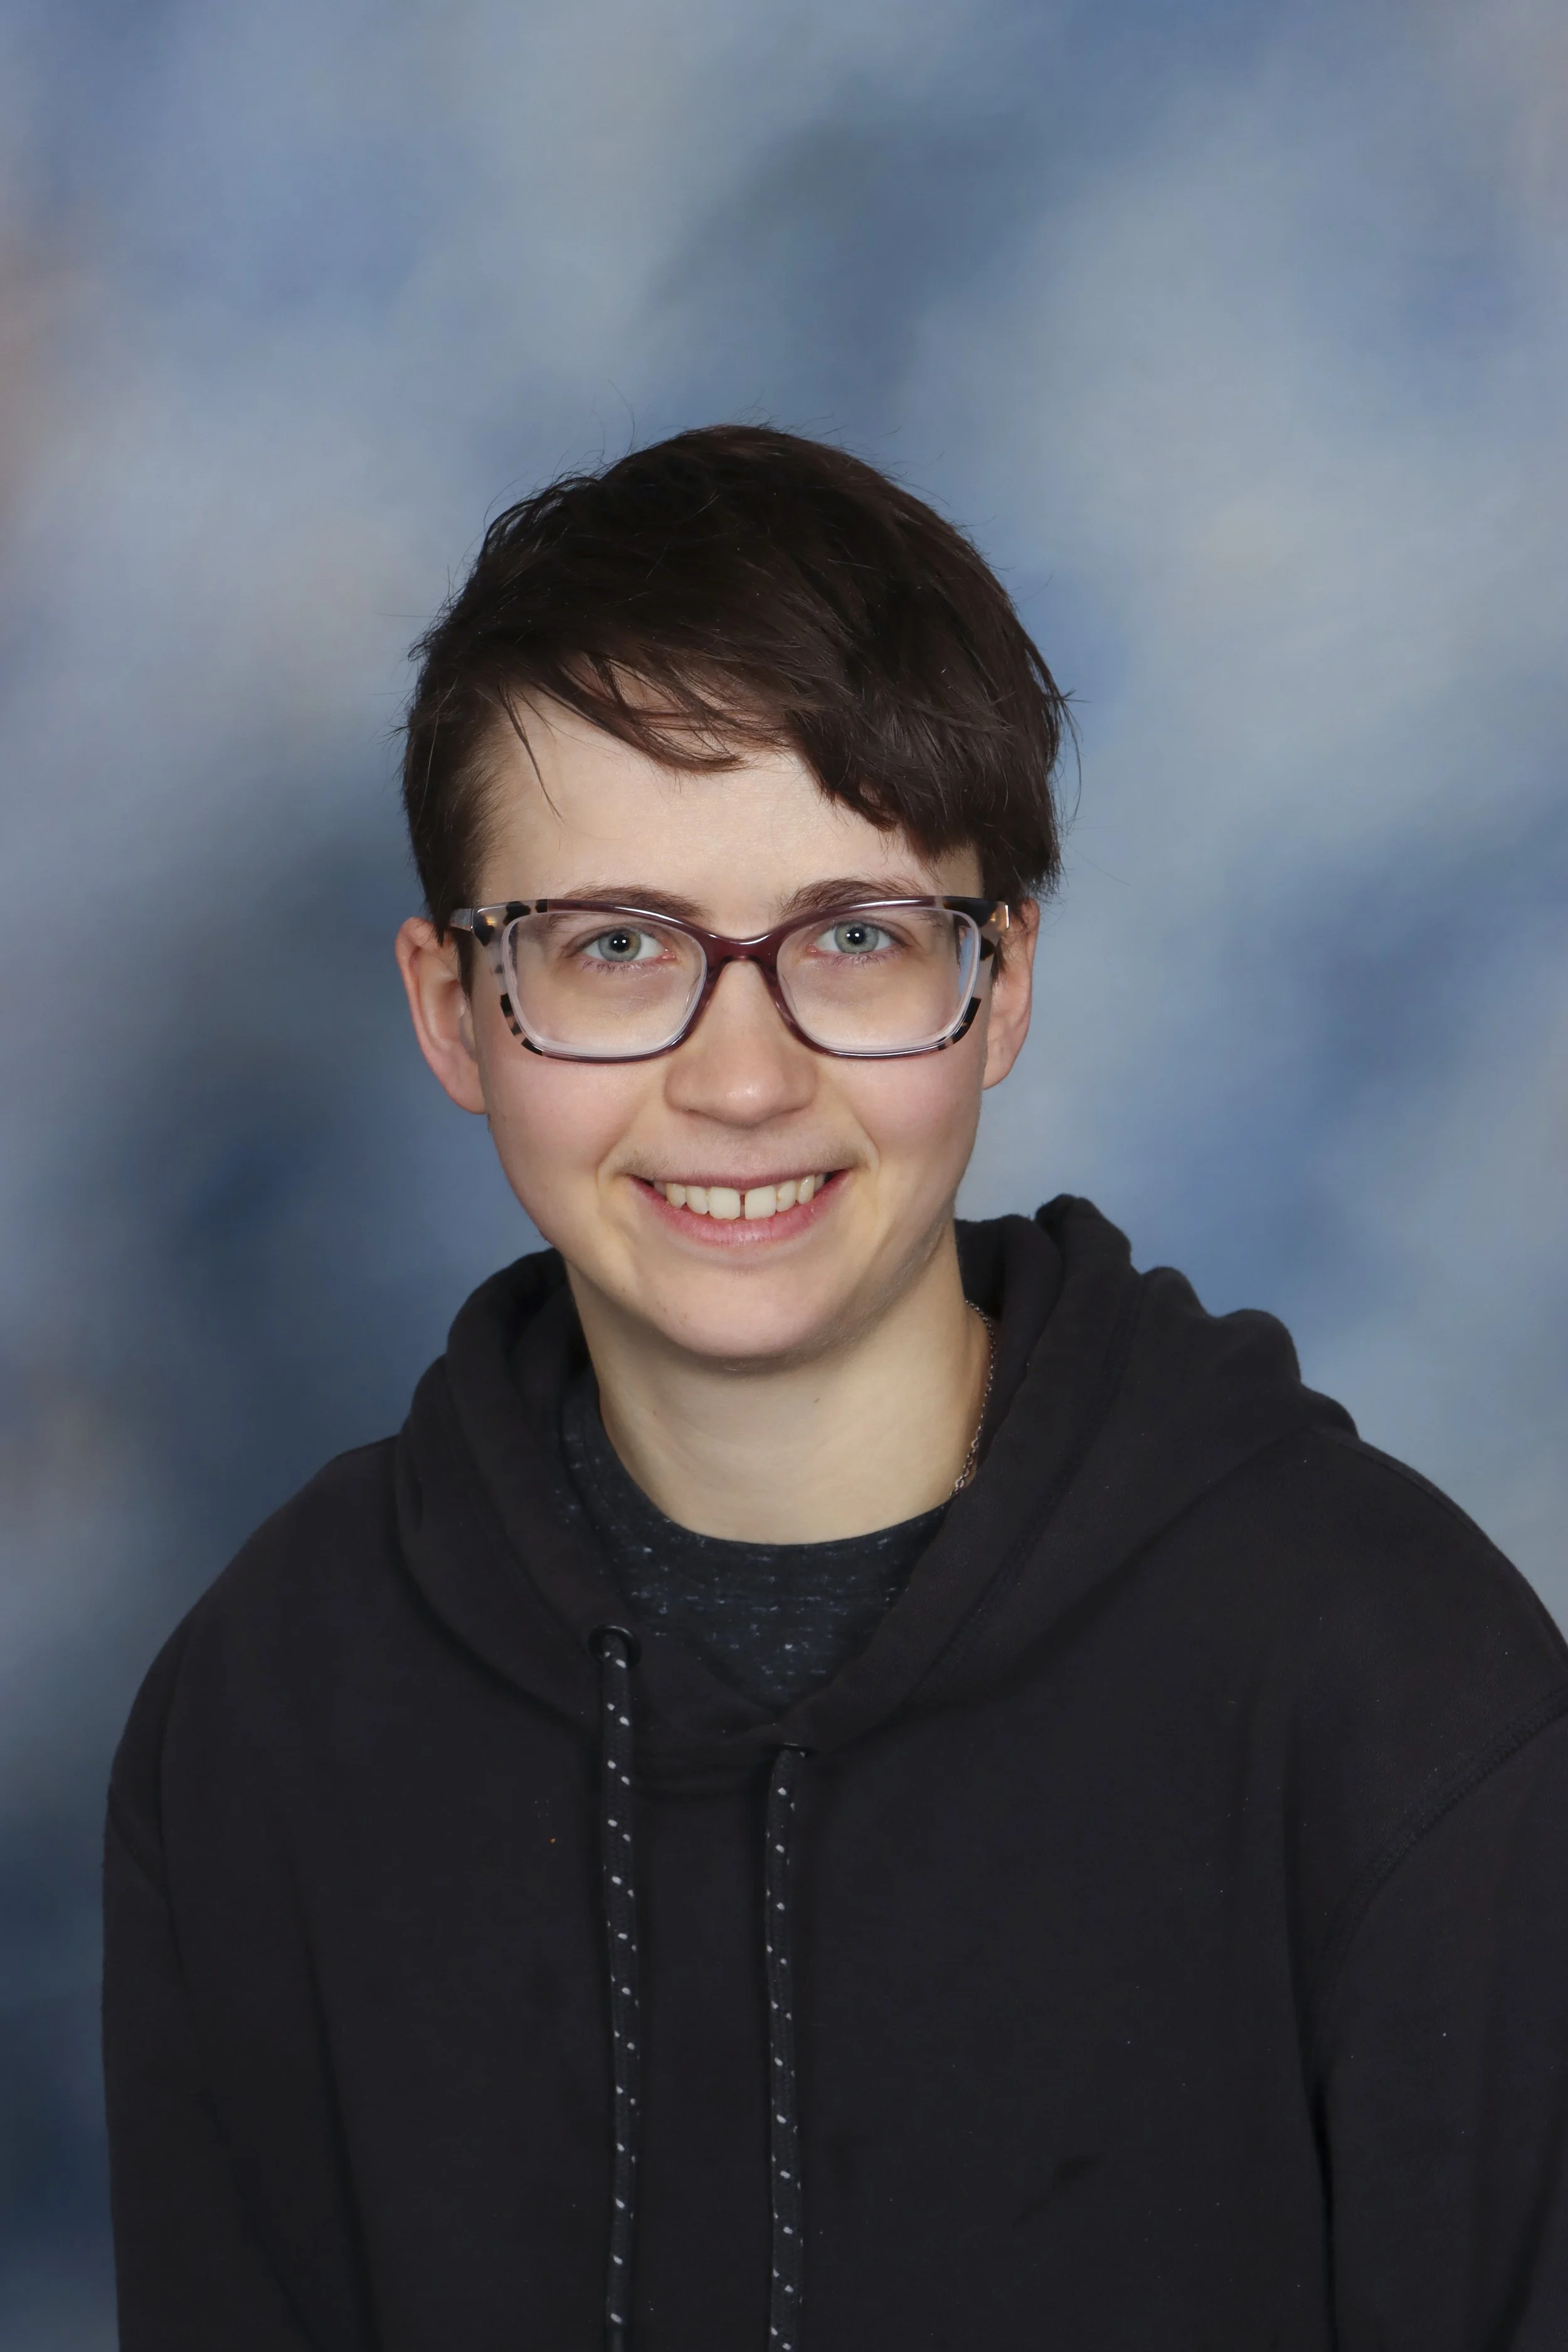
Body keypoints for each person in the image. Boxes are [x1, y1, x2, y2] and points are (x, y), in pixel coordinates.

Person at [103, 425, 1568, 2352]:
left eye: (855, 937)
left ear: (1004, 979)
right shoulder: (264, 1716)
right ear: (451, 1007)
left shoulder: (1395, 1694)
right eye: (614, 944)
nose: (739, 1078)